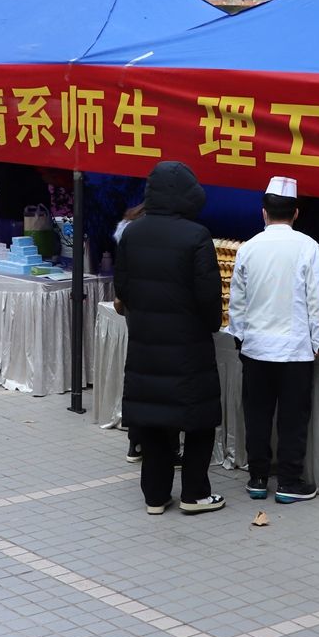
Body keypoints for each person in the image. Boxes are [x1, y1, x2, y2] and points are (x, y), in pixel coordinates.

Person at [114, 161, 225, 516]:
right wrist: (211, 324)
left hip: (145, 342)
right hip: (188, 345)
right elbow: (209, 296)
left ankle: (155, 496)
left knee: (153, 419)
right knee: (199, 420)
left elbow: (122, 288)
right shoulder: (196, 236)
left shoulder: (132, 233)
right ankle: (195, 493)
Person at [228, 177, 319, 503]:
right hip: (294, 349)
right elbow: (316, 299)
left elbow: (237, 300)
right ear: (296, 213)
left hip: (256, 347)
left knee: (256, 415)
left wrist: (238, 335)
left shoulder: (248, 248)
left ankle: (257, 478)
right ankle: (288, 481)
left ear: (264, 212)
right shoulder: (309, 247)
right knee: (293, 418)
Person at [113, 200, 147, 463]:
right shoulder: (176, 233)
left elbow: (121, 281)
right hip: (161, 322)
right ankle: (164, 446)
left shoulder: (128, 229)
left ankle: (135, 441)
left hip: (136, 317)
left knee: (136, 378)